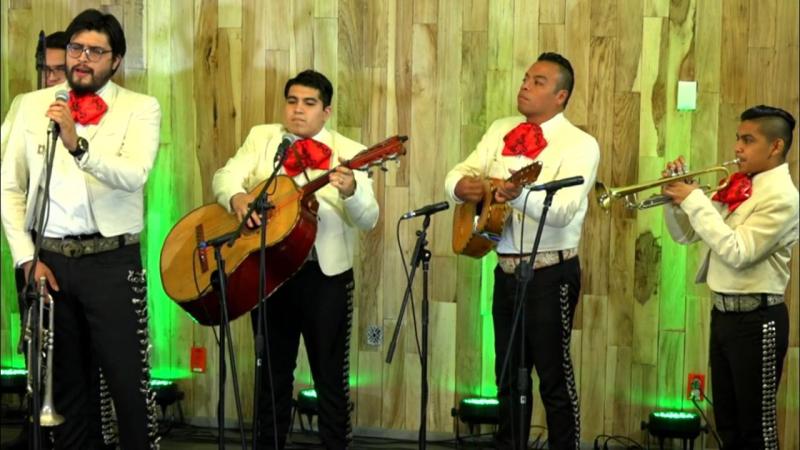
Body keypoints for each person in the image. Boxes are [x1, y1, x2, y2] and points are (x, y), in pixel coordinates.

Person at [0, 8, 161, 450]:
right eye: (75, 48)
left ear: (116, 60)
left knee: (130, 389)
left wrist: (78, 145)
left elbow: (136, 173)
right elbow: (9, 187)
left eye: (95, 51)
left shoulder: (140, 107)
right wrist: (25, 257)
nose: (82, 59)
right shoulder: (30, 105)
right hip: (48, 261)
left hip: (111, 260)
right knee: (63, 392)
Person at [212, 69, 379, 449]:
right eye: (292, 101)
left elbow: (368, 219)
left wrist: (352, 190)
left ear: (326, 111)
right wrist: (237, 199)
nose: (298, 111)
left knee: (330, 378)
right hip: (268, 275)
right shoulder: (262, 137)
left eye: (309, 103)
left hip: (325, 277)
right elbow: (225, 176)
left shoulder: (349, 152)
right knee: (271, 376)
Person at [444, 52, 599, 450]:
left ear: (561, 96)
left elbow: (562, 212)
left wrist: (518, 193)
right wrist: (461, 187)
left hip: (551, 273)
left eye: (539, 81)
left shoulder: (580, 144)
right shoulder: (501, 128)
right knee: (508, 374)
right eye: (526, 77)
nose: (525, 85)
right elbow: (462, 170)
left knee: (554, 377)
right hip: (506, 270)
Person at [662, 105, 798, 449]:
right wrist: (674, 199)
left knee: (757, 430)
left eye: (748, 140)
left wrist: (694, 199)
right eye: (738, 138)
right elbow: (687, 235)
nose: (737, 147)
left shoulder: (783, 198)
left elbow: (738, 252)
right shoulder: (737, 184)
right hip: (723, 315)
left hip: (758, 320)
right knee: (728, 425)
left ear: (775, 146)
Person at [1, 31, 69, 156]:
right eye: (45, 69)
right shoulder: (22, 102)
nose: (51, 77)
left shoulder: (86, 107)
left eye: (60, 69)